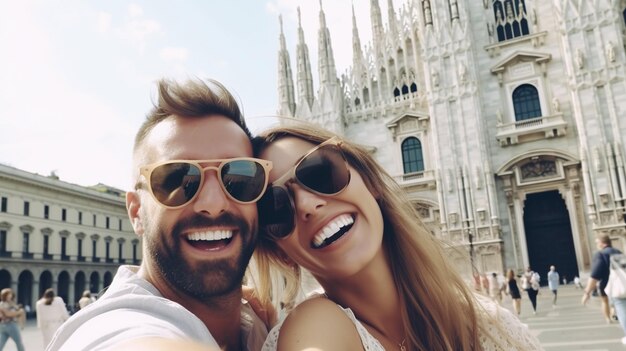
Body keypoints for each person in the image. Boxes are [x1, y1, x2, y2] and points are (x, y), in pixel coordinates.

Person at [251, 123, 542, 350]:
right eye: (275, 206)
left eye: (320, 171)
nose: (307, 205)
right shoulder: (314, 326)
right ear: (279, 251)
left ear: (372, 182)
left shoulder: (489, 323)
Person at [47, 78, 274, 350]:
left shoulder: (266, 325)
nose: (213, 204)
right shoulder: (116, 328)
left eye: (238, 177)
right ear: (135, 212)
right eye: (177, 178)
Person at [582, 233, 623, 326]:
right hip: (621, 283)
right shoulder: (618, 252)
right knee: (619, 302)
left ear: (603, 244)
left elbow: (594, 275)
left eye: (597, 243)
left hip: (606, 284)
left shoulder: (601, 254)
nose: (597, 246)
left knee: (605, 301)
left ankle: (608, 318)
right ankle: (614, 313)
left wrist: (587, 292)